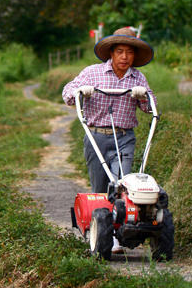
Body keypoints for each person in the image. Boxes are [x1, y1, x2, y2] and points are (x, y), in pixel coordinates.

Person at [62, 26, 155, 253]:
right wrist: (80, 92)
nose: (125, 57)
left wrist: (143, 96)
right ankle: (100, 230)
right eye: (120, 52)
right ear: (111, 53)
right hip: (96, 136)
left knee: (122, 183)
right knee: (100, 187)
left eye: (130, 53)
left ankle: (117, 237)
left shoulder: (138, 77)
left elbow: (149, 106)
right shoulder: (92, 73)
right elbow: (67, 92)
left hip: (124, 138)